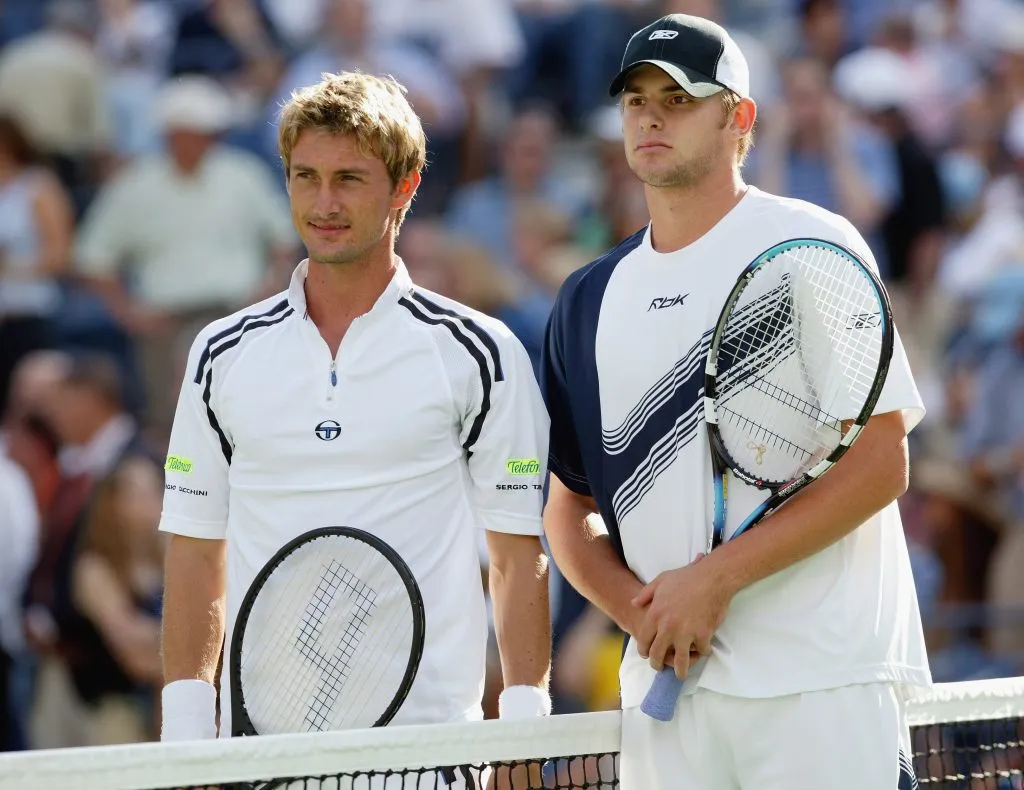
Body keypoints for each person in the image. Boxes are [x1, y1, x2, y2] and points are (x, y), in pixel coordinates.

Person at [540, 14, 930, 790]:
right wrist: (639, 610)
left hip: (821, 683)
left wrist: (714, 581)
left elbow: (884, 463)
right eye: (635, 99)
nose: (651, 116)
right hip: (666, 702)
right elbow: (567, 509)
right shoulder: (585, 298)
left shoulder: (812, 244)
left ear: (738, 117)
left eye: (679, 98)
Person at [158, 71, 552, 746]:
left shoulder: (481, 352)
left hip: (429, 751)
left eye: (349, 179)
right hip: (261, 752)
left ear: (405, 188)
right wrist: (186, 736)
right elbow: (196, 554)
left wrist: (523, 727)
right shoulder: (219, 353)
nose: (324, 202)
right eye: (305, 177)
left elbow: (517, 556)